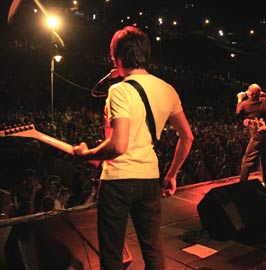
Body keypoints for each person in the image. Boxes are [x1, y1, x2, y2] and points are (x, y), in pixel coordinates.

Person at [73, 26, 194, 270]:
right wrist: (170, 175)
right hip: (150, 179)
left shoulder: (119, 90)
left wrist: (87, 155)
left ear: (117, 58)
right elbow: (187, 137)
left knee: (112, 254)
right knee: (153, 250)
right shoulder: (167, 89)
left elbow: (118, 145)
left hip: (118, 181)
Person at [235, 83, 266, 190]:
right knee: (265, 159)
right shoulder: (263, 101)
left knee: (247, 160)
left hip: (258, 135)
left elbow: (238, 112)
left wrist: (239, 98)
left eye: (248, 90)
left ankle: (242, 185)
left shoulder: (245, 104)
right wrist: (257, 92)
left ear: (251, 93)